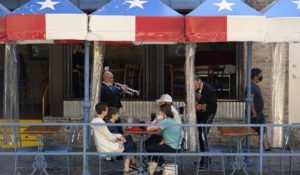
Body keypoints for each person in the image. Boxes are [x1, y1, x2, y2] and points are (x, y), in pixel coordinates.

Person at [91, 103, 137, 174]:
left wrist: (119, 136)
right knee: (132, 144)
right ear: (103, 111)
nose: (107, 111)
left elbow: (107, 135)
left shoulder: (96, 121)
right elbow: (110, 137)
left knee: (128, 141)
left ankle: (128, 166)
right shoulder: (101, 123)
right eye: (106, 109)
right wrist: (120, 138)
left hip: (102, 146)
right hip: (107, 147)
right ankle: (127, 168)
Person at [146, 104, 181, 173]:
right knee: (152, 139)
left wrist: (156, 119)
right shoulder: (171, 120)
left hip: (173, 148)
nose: (159, 113)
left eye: (160, 111)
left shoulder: (166, 121)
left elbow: (148, 128)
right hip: (176, 146)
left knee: (149, 147)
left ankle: (157, 163)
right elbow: (167, 136)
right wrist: (159, 144)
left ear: (163, 112)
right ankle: (155, 162)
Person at [194, 76, 217, 168]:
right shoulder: (194, 89)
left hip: (208, 115)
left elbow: (213, 106)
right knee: (200, 136)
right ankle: (205, 157)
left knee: (203, 136)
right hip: (199, 115)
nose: (193, 87)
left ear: (199, 82)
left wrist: (201, 106)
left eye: (194, 84)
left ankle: (205, 159)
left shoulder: (209, 90)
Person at [247, 68, 271, 151]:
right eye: (259, 75)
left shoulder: (255, 86)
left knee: (262, 129)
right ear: (255, 76)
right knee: (253, 130)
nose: (261, 77)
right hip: (255, 113)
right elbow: (250, 100)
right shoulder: (251, 86)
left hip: (259, 113)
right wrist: (254, 113)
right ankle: (238, 143)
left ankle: (266, 146)